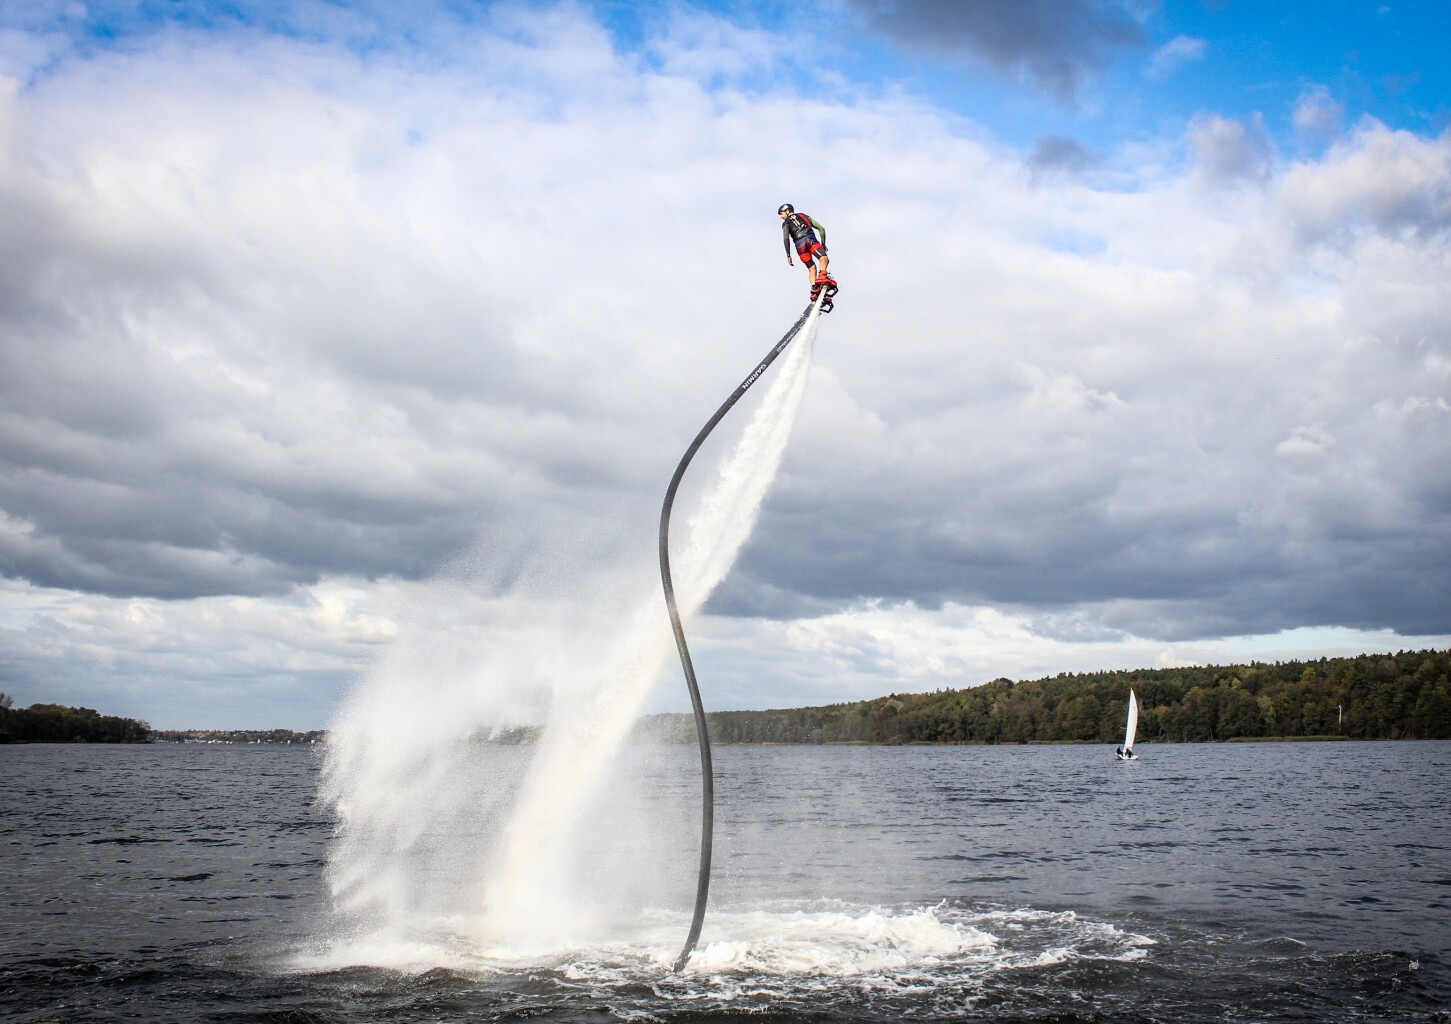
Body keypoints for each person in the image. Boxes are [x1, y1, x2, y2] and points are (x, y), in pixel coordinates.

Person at [779, 204, 830, 289]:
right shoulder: (803, 216)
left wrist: (788, 255)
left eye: (781, 214)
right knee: (824, 259)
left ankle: (814, 288)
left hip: (800, 247)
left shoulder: (785, 223)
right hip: (810, 240)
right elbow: (821, 229)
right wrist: (823, 244)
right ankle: (822, 276)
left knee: (812, 268)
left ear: (787, 211)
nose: (781, 217)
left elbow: (786, 238)